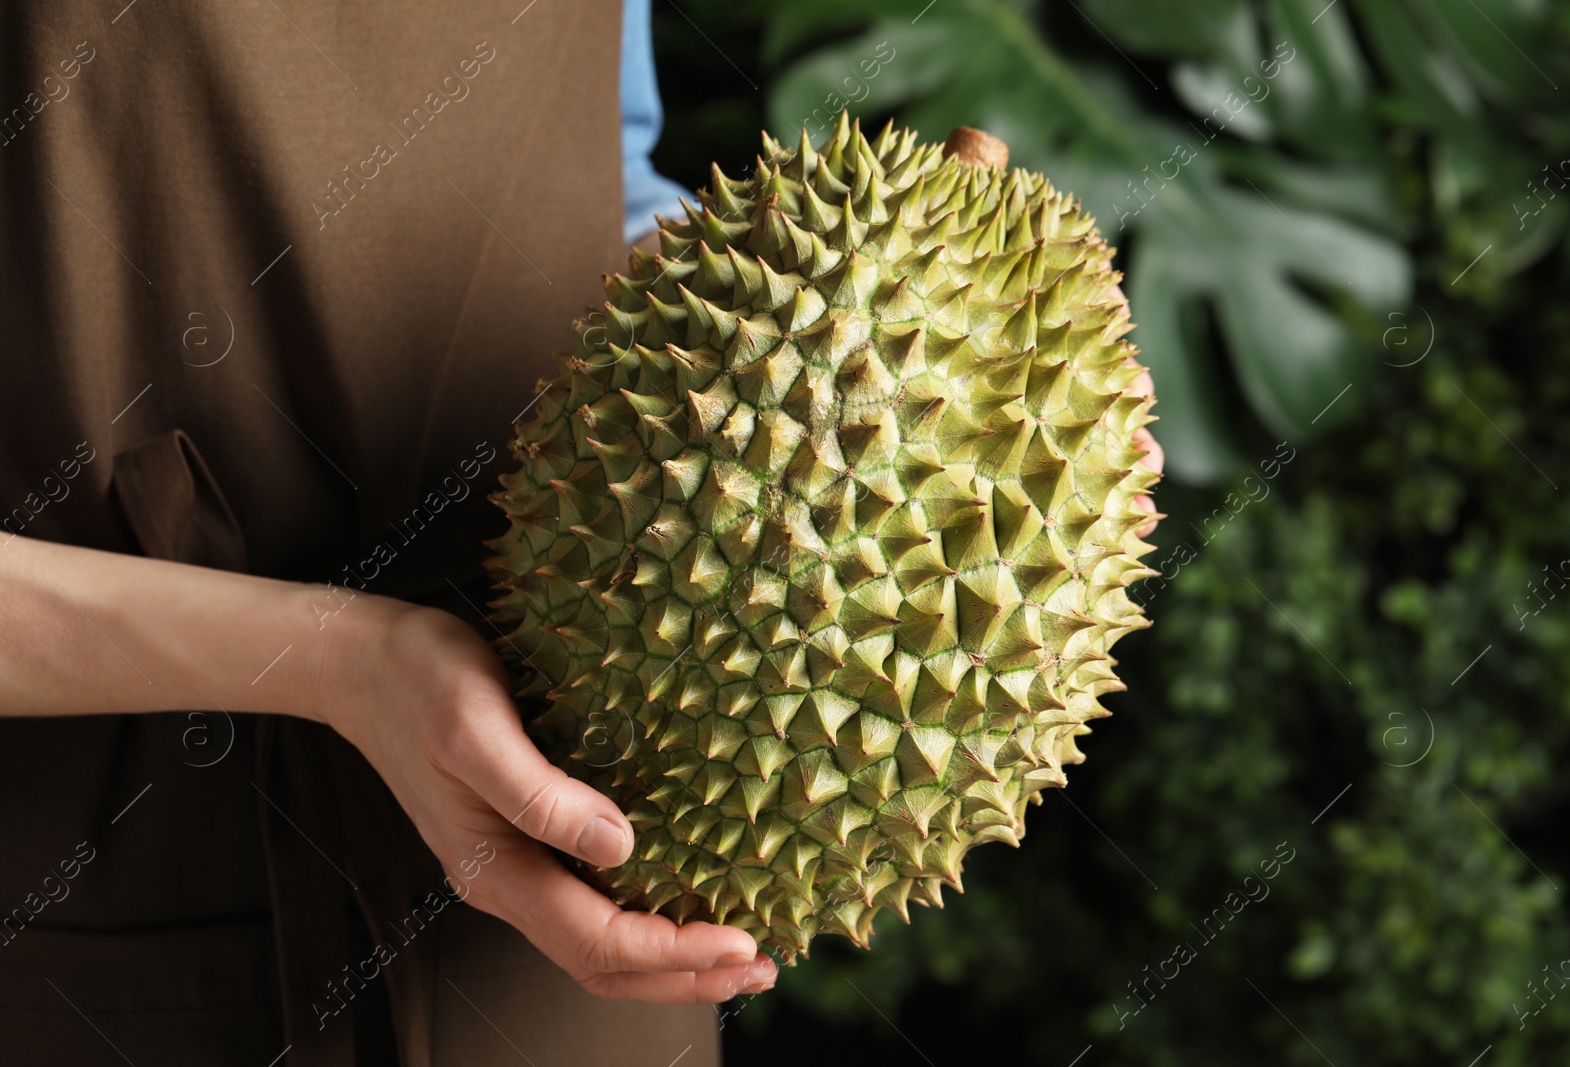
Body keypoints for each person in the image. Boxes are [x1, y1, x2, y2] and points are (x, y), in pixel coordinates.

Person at [0, 1, 1161, 1064]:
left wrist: (985, 397)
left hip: (571, 868)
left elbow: (593, 178)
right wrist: (337, 658)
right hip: (137, 864)